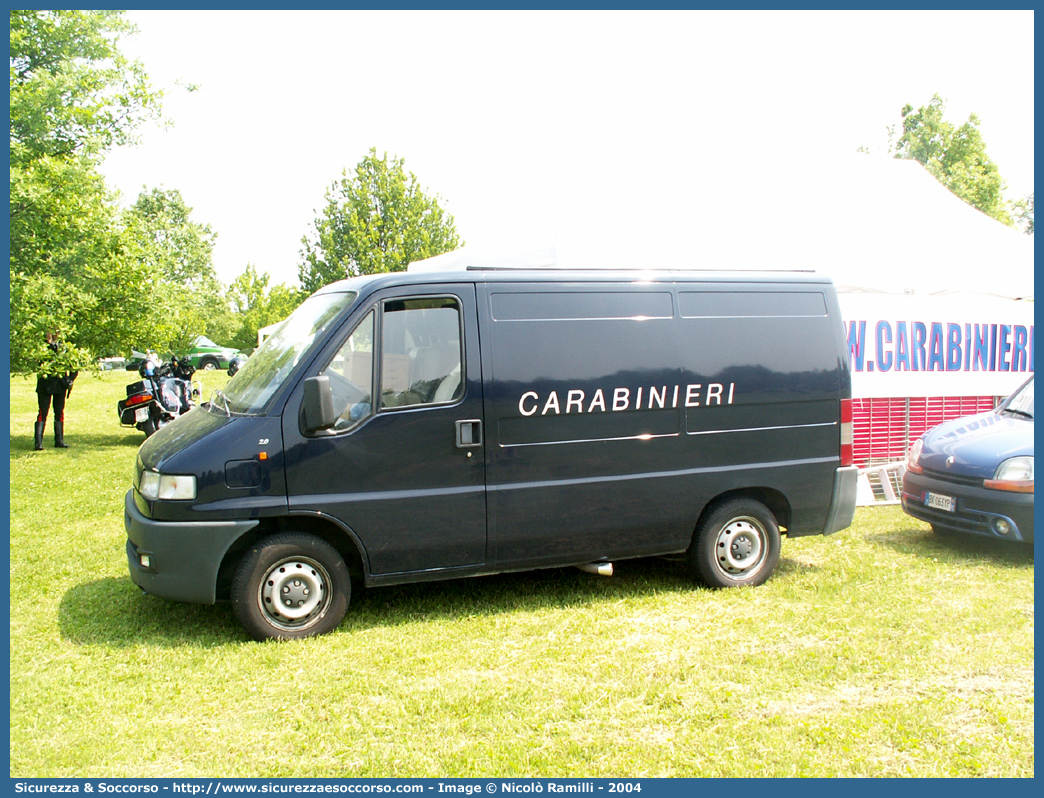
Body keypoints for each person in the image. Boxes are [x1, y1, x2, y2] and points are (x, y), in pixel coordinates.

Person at [35, 332, 77, 450]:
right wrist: (48, 344)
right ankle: (38, 443)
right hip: (45, 384)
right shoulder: (43, 347)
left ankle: (59, 440)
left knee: (59, 412)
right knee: (43, 412)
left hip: (60, 385)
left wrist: (70, 380)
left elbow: (73, 365)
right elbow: (39, 361)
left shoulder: (64, 347)